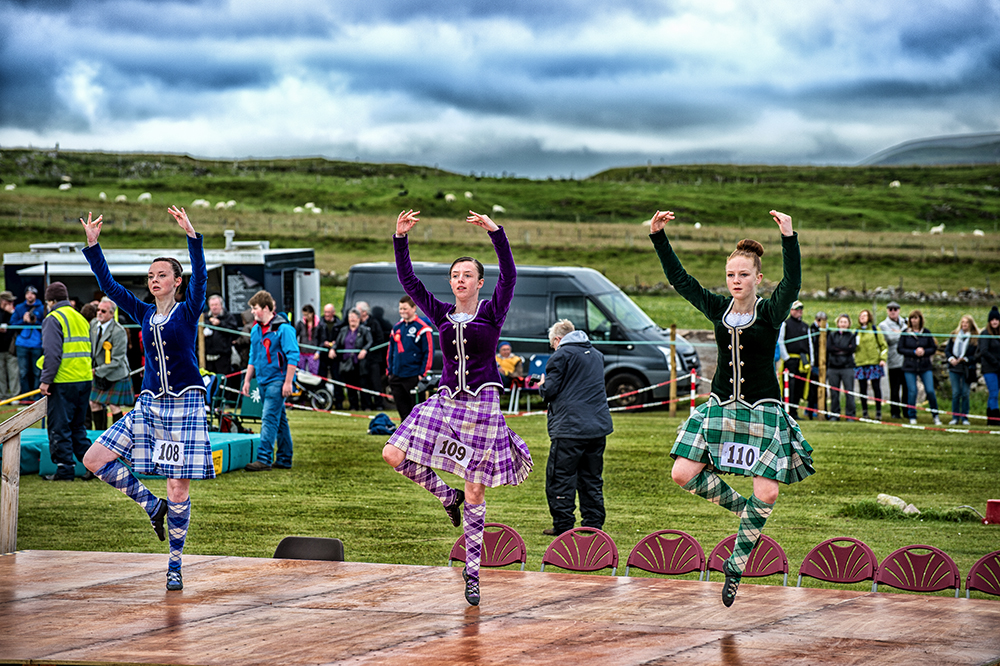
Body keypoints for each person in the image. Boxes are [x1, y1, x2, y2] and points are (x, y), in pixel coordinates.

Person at [648, 208, 813, 608]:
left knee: (768, 492)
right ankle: (746, 515)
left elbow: (793, 282)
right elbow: (680, 281)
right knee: (682, 472)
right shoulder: (718, 309)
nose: (735, 281)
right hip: (721, 406)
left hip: (762, 410)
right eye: (730, 275)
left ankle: (736, 564)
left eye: (743, 275)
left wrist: (789, 238)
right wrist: (659, 237)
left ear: (758, 278)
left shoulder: (772, 311)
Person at [382, 209, 533, 607]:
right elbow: (409, 281)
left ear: (479, 283)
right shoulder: (440, 313)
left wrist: (496, 233)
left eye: (467, 275)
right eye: (455, 275)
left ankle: (472, 570)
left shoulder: (491, 311)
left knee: (475, 487)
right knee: (392, 453)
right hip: (447, 400)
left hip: (483, 404)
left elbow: (511, 275)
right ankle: (445, 498)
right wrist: (400, 239)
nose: (460, 280)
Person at [79, 207, 214, 592]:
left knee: (178, 489)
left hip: (185, 405)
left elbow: (201, 278)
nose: (154, 280)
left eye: (161, 275)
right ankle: (151, 506)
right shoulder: (141, 312)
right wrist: (93, 244)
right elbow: (108, 284)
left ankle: (175, 564)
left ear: (176, 281)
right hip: (149, 405)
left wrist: (193, 237)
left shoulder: (189, 311)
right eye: (151, 276)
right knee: (94, 458)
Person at [537, 319, 612, 537]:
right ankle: (593, 524)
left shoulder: (561, 355)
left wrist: (542, 386)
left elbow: (550, 391)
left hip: (570, 428)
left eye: (553, 343)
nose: (553, 347)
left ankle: (563, 525)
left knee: (560, 477)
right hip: (597, 427)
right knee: (591, 478)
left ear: (558, 340)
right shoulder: (596, 355)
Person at [38, 281, 94, 481]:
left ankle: (64, 469)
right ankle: (94, 466)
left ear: (50, 300)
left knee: (59, 426)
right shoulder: (80, 317)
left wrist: (45, 380)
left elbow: (52, 354)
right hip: (84, 379)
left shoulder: (53, 318)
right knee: (78, 427)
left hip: (63, 381)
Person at [243, 290, 299, 471]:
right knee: (279, 420)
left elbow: (293, 356)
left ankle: (264, 458)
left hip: (278, 380)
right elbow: (253, 357)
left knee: (268, 418)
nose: (252, 311)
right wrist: (246, 381)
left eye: (255, 308)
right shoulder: (256, 330)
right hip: (263, 379)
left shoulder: (284, 329)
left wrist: (288, 382)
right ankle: (284, 458)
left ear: (266, 308)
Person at [89, 298, 133, 430]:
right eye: (98, 310)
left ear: (112, 313)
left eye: (103, 311)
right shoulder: (93, 324)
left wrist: (96, 371)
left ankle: (117, 435)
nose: (99, 313)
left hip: (116, 374)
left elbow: (117, 360)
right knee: (93, 403)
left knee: (114, 406)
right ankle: (100, 434)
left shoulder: (119, 331)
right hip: (99, 372)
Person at [387, 295, 433, 420]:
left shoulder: (423, 328)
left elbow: (428, 352)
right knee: (402, 410)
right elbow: (391, 351)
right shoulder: (397, 327)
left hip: (413, 375)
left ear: (414, 308)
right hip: (397, 374)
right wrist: (389, 371)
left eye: (405, 309)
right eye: (400, 309)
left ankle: (417, 436)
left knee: (416, 411)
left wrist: (422, 374)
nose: (402, 311)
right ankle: (404, 435)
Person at [898, 309, 941, 425]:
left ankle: (935, 415)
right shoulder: (905, 333)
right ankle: (912, 416)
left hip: (924, 366)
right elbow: (900, 349)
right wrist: (913, 352)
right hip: (910, 366)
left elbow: (933, 348)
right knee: (912, 391)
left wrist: (924, 351)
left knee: (930, 391)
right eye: (912, 318)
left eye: (916, 318)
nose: (914, 320)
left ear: (920, 320)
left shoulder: (926, 332)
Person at [331, 309, 372, 411]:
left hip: (359, 362)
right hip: (347, 362)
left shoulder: (364, 330)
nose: (352, 320)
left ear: (359, 319)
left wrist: (364, 350)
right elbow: (337, 342)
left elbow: (370, 341)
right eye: (350, 317)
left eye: (354, 317)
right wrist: (332, 349)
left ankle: (366, 406)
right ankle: (353, 406)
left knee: (363, 385)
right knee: (350, 386)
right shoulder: (343, 330)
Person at [776, 300, 810, 419]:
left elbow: (809, 343)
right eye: (796, 309)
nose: (799, 311)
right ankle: (787, 411)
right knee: (789, 386)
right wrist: (787, 358)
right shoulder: (785, 324)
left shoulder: (805, 326)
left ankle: (795, 411)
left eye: (801, 309)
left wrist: (810, 360)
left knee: (800, 387)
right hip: (790, 359)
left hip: (802, 360)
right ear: (791, 310)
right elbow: (781, 341)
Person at [944, 315, 977, 425]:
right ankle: (955, 417)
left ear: (970, 324)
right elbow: (947, 350)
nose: (964, 325)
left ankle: (964, 417)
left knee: (965, 393)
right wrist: (951, 359)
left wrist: (966, 359)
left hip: (967, 369)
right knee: (956, 393)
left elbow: (976, 355)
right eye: (963, 322)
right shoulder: (954, 335)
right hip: (954, 368)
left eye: (966, 323)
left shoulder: (975, 338)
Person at [854, 309, 887, 420]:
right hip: (860, 363)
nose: (862, 317)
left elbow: (883, 346)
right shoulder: (856, 331)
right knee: (862, 389)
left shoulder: (875, 329)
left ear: (869, 317)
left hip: (874, 362)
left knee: (876, 387)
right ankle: (865, 412)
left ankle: (878, 411)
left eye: (865, 315)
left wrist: (882, 359)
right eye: (861, 315)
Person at [14, 284, 45, 400]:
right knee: (23, 372)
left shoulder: (42, 308)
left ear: (35, 295)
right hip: (22, 344)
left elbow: (46, 324)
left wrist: (35, 322)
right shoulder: (19, 308)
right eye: (28, 293)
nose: (30, 296)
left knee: (37, 372)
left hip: (37, 344)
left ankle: (37, 397)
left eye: (32, 294)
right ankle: (25, 397)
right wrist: (23, 320)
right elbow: (13, 324)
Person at [355, 301, 386, 410]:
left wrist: (368, 349)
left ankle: (379, 404)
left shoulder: (374, 323)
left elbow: (380, 339)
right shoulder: (357, 323)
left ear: (364, 312)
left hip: (373, 358)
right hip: (361, 359)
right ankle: (366, 405)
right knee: (363, 382)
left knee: (375, 382)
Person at [826, 314, 857, 421]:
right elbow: (829, 348)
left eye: (845, 322)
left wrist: (839, 349)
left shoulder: (851, 336)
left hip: (847, 367)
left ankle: (850, 415)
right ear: (838, 323)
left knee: (849, 392)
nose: (843, 324)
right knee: (834, 393)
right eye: (841, 322)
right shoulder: (832, 335)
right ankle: (835, 414)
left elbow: (852, 348)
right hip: (833, 367)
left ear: (848, 324)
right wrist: (843, 349)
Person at [878, 301, 906, 419]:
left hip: (907, 361)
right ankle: (895, 412)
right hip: (894, 362)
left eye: (895, 309)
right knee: (894, 390)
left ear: (899, 310)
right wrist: (903, 332)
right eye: (890, 309)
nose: (893, 311)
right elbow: (890, 338)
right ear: (887, 311)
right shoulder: (883, 325)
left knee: (907, 389)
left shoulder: (905, 322)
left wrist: (900, 332)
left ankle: (907, 411)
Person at [203, 294, 239, 378]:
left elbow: (234, 332)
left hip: (223, 357)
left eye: (216, 305)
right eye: (212, 305)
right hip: (207, 358)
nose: (214, 307)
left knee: (223, 382)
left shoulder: (228, 317)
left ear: (221, 305)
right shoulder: (204, 318)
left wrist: (220, 324)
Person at [976, 306, 1000, 426]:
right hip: (990, 369)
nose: (995, 322)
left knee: (994, 394)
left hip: (999, 369)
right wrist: (996, 362)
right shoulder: (985, 334)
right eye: (992, 319)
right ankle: (994, 419)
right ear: (989, 321)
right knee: (994, 392)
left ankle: (991, 419)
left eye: (997, 319)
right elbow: (984, 351)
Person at [317, 303, 342, 406]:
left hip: (335, 355)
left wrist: (335, 345)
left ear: (333, 313)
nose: (326, 314)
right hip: (323, 354)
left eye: (329, 312)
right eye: (325, 312)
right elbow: (317, 338)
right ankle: (322, 400)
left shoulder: (339, 324)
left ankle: (339, 402)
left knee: (337, 378)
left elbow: (341, 338)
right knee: (322, 378)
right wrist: (324, 343)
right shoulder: (320, 323)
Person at [806, 311, 827, 420]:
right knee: (812, 390)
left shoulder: (826, 331)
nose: (820, 322)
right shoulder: (811, 329)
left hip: (824, 364)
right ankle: (809, 412)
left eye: (823, 320)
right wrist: (812, 362)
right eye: (819, 320)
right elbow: (810, 346)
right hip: (814, 363)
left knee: (824, 389)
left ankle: (824, 411)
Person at [0, 291, 20, 401]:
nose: (11, 303)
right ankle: (3, 396)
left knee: (13, 374)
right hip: (0, 349)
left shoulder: (14, 312)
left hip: (11, 349)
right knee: (1, 375)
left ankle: (15, 397)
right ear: (3, 301)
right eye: (9, 301)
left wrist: (11, 313)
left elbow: (18, 325)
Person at [295, 304, 321, 375]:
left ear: (312, 313)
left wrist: (318, 352)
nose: (305, 317)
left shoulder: (319, 325)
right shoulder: (300, 324)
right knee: (300, 373)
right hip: (302, 353)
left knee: (313, 374)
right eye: (304, 315)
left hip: (313, 354)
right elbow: (294, 336)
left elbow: (321, 339)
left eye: (307, 315)